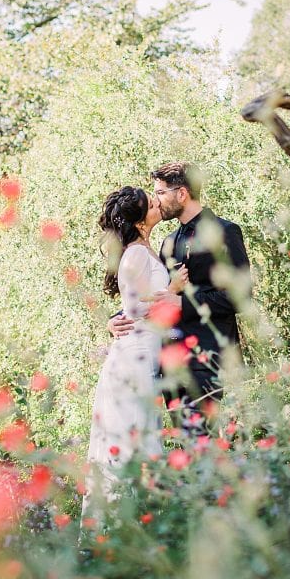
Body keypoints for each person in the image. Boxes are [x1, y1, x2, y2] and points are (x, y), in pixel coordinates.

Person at [110, 162, 251, 433]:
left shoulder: (225, 231)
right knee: (185, 454)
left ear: (182, 194)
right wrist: (115, 320)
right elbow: (153, 296)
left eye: (160, 193)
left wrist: (184, 303)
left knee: (203, 447)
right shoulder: (168, 242)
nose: (156, 201)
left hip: (207, 359)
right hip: (169, 363)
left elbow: (240, 297)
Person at [84, 185, 189, 517]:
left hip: (144, 355)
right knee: (132, 439)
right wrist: (172, 290)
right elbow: (134, 308)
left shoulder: (146, 250)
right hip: (133, 360)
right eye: (151, 201)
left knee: (141, 436)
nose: (158, 202)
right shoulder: (135, 253)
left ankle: (138, 520)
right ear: (141, 219)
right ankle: (122, 521)